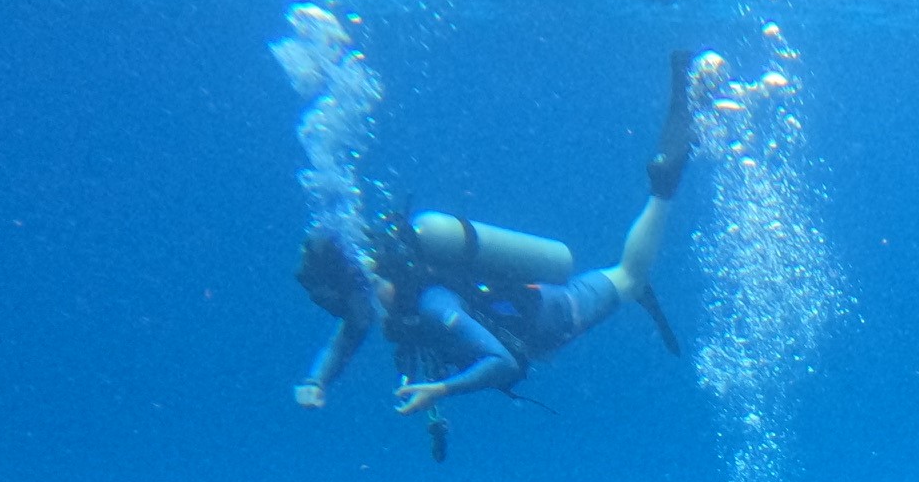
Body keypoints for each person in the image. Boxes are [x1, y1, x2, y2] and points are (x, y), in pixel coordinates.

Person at [293, 52, 710, 451]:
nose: (356, 319)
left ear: (361, 282)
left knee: (629, 276)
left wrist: (442, 389)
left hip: (557, 313)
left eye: (350, 306)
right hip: (535, 310)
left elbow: (505, 361)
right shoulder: (383, 285)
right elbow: (344, 340)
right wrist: (316, 382)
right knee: (623, 278)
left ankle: (665, 181)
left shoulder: (433, 302)